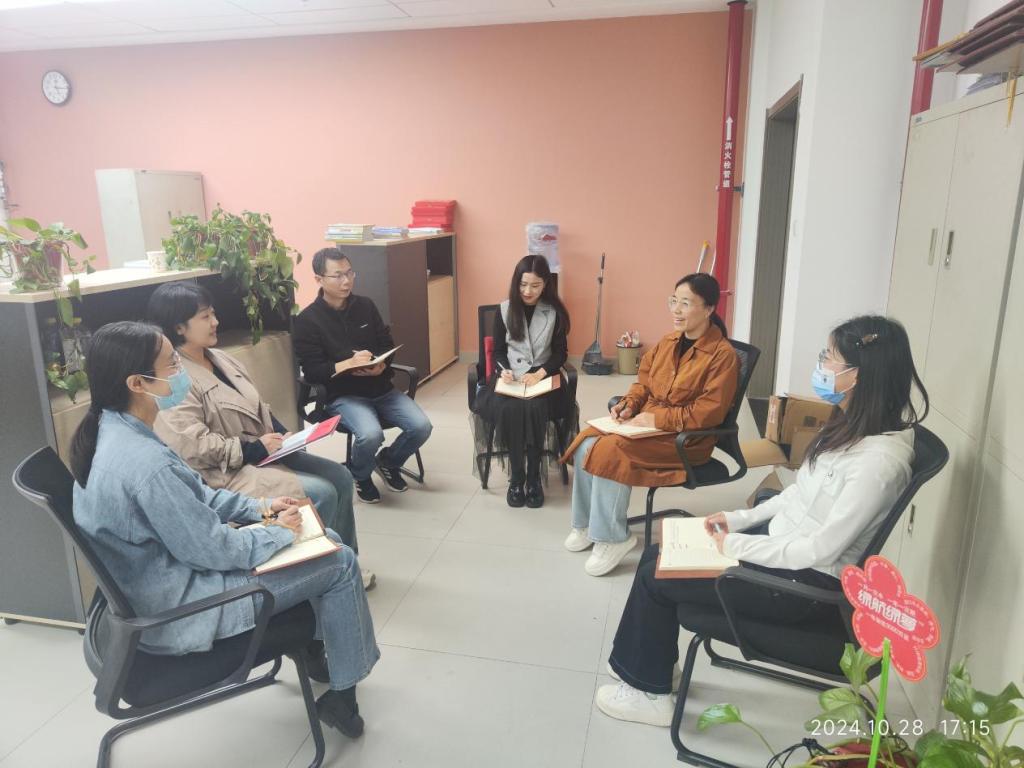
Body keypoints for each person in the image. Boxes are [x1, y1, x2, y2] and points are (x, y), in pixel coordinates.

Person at [595, 315, 929, 727]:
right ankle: (652, 667)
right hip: (783, 549)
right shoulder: (853, 428)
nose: (821, 365)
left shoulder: (878, 464)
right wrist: (736, 520)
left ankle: (649, 694)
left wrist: (732, 545)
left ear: (860, 375)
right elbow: (797, 495)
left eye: (829, 357)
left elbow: (820, 550)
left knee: (656, 575)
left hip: (802, 585)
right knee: (656, 554)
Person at [70, 321, 379, 738]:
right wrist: (279, 532)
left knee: (328, 542)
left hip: (164, 584)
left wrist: (264, 508)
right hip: (185, 609)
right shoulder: (145, 464)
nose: (181, 371)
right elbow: (214, 550)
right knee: (340, 563)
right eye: (171, 364)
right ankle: (344, 696)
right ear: (137, 383)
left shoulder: (113, 430)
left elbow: (198, 495)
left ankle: (317, 652)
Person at [145, 282, 373, 590]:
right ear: (179, 327)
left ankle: (345, 558)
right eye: (205, 317)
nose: (215, 322)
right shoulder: (175, 379)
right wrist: (252, 448)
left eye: (213, 313)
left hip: (263, 453)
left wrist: (280, 432)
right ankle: (320, 573)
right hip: (227, 471)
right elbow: (192, 445)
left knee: (341, 477)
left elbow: (256, 405)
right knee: (321, 492)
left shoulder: (221, 359)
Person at [562, 273, 739, 577]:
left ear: (709, 309)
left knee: (610, 450)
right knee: (586, 441)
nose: (676, 310)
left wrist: (656, 419)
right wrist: (629, 405)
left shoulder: (722, 356)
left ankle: (613, 538)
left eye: (686, 304)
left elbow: (706, 414)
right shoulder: (668, 342)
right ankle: (586, 524)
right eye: (674, 301)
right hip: (649, 429)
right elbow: (643, 384)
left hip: (687, 440)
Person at [293, 248, 433, 505]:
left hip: (380, 387)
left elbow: (385, 343)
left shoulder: (365, 306)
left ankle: (388, 462)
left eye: (349, 273)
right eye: (337, 275)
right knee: (370, 434)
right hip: (343, 395)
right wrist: (347, 363)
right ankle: (361, 474)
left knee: (422, 427)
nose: (346, 281)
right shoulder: (307, 320)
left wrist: (382, 365)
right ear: (319, 279)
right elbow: (312, 371)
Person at [472, 254, 575, 508]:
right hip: (513, 378)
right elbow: (498, 351)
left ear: (546, 285)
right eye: (523, 284)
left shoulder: (554, 312)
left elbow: (561, 353)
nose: (528, 291)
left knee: (536, 407)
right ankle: (517, 478)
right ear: (516, 282)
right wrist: (504, 371)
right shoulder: (504, 309)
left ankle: (534, 478)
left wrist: (540, 372)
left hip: (543, 376)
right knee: (511, 408)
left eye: (535, 285)